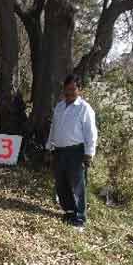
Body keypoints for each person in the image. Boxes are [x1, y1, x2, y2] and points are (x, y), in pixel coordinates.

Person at [45, 75, 98, 230]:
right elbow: (54, 129)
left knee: (77, 185)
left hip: (76, 152)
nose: (69, 92)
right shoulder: (60, 106)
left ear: (78, 89)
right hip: (59, 151)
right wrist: (49, 148)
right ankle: (68, 212)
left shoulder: (84, 108)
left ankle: (79, 219)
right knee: (61, 183)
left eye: (72, 89)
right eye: (66, 89)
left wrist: (89, 154)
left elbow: (91, 133)